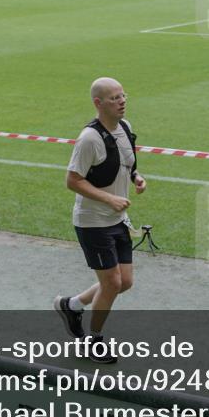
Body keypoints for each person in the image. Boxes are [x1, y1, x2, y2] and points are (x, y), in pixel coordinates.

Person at [56, 77, 146, 364]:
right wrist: (109, 199)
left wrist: (136, 177)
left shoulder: (125, 128)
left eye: (123, 95)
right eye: (114, 98)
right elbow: (72, 180)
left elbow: (125, 162)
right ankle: (92, 341)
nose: (122, 101)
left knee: (124, 282)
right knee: (111, 283)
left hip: (117, 218)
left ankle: (71, 305)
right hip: (93, 221)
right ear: (98, 103)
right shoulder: (89, 139)